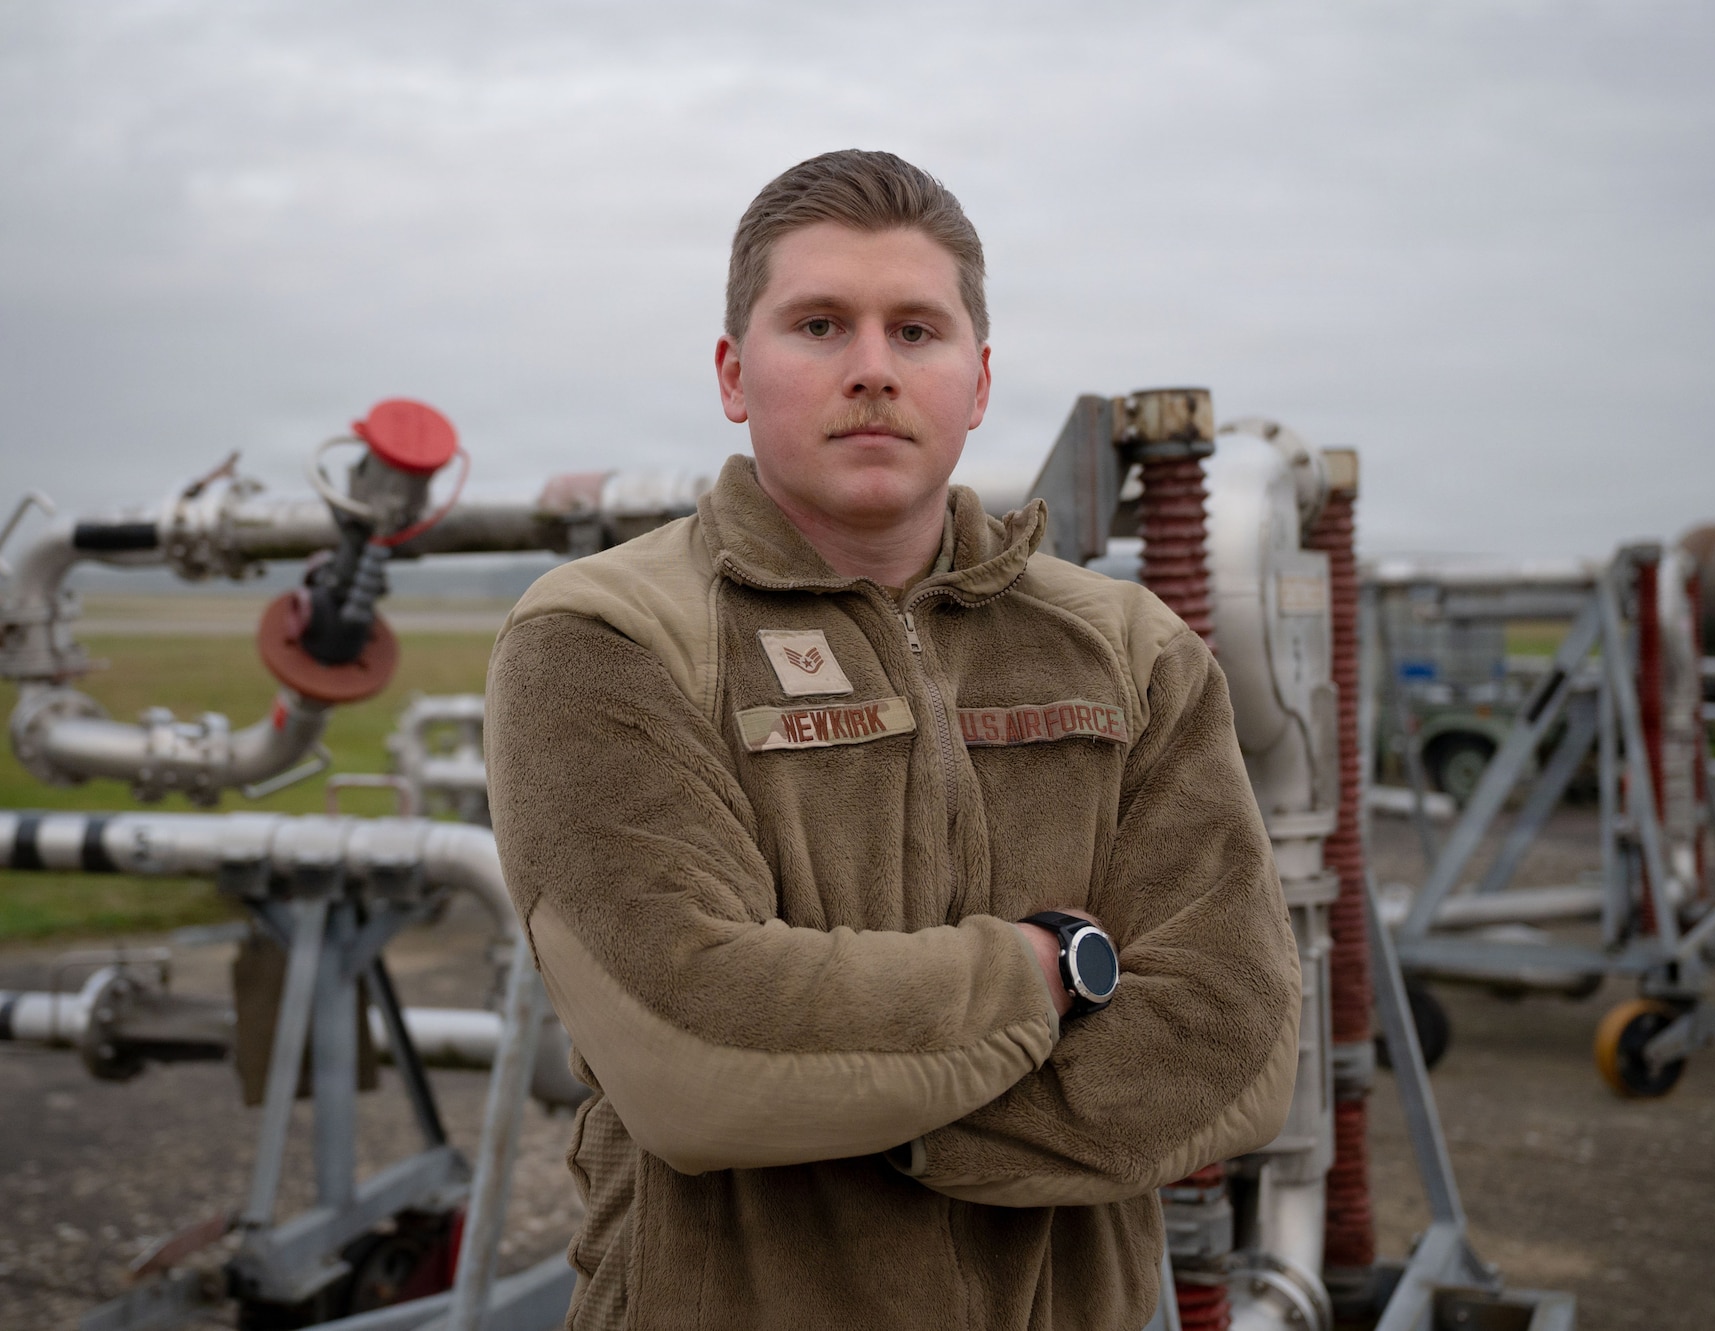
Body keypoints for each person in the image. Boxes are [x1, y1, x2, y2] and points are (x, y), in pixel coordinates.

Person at [485, 149, 1300, 1331]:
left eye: (915, 331)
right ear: (732, 371)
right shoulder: (607, 635)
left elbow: (1236, 1039)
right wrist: (1047, 973)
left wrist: (856, 1108)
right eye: (818, 324)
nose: (870, 368)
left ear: (975, 380)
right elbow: (696, 1055)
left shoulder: (1127, 647)